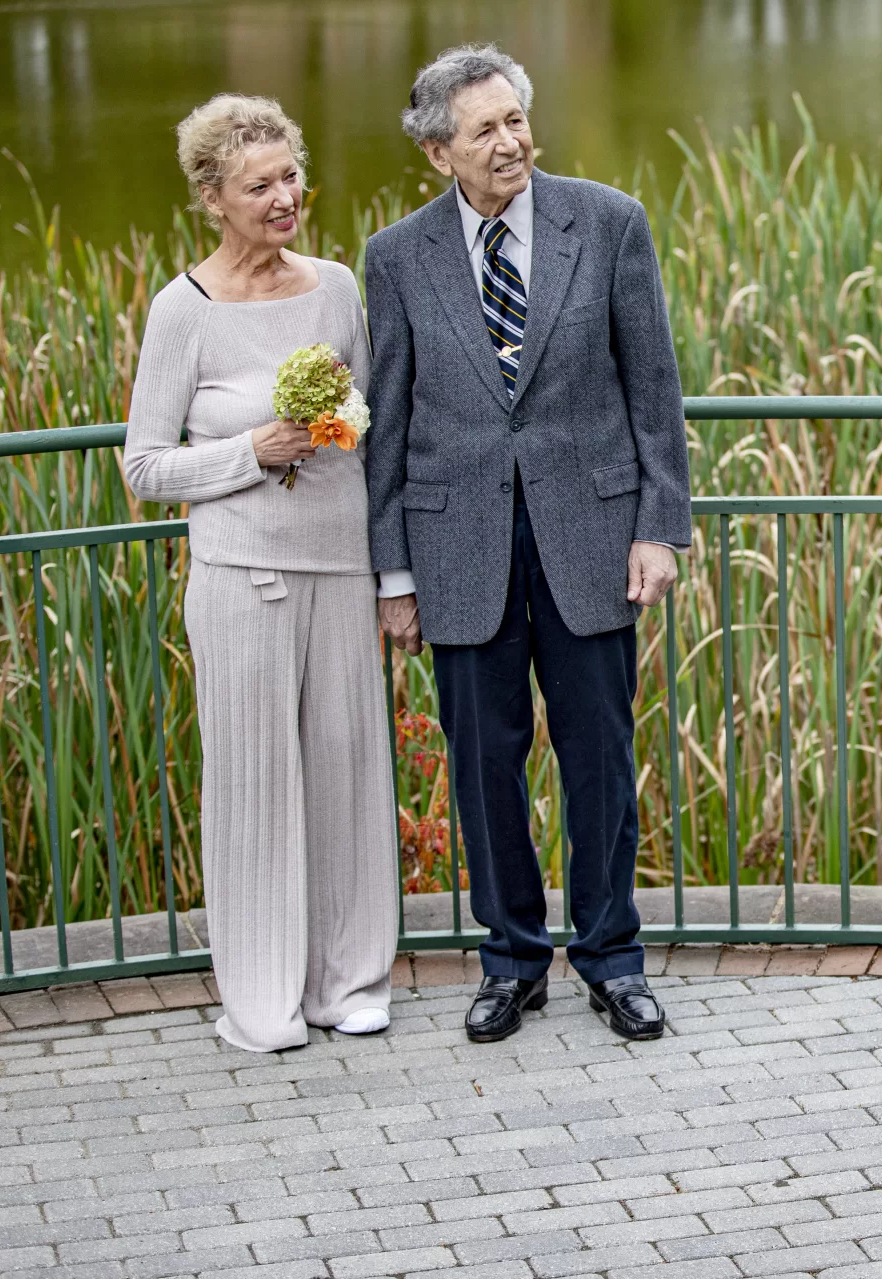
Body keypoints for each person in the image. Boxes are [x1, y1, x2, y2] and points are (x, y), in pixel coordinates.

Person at [364, 45, 692, 1044]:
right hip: (455, 544)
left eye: (515, 121)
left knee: (599, 756)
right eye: (483, 130)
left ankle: (612, 957)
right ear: (436, 152)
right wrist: (393, 572)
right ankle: (508, 959)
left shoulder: (605, 221)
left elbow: (653, 388)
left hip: (591, 535)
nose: (509, 143)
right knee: (480, 766)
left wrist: (656, 526)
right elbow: (384, 419)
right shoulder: (395, 256)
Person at [123, 95, 398, 1053]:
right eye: (260, 186)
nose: (285, 199)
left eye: (291, 177)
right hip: (240, 578)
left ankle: (350, 983)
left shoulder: (332, 287)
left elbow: (371, 424)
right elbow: (146, 467)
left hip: (340, 563)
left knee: (349, 775)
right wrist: (255, 448)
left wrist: (335, 434)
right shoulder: (181, 311)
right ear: (212, 197)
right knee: (253, 787)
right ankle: (261, 1002)